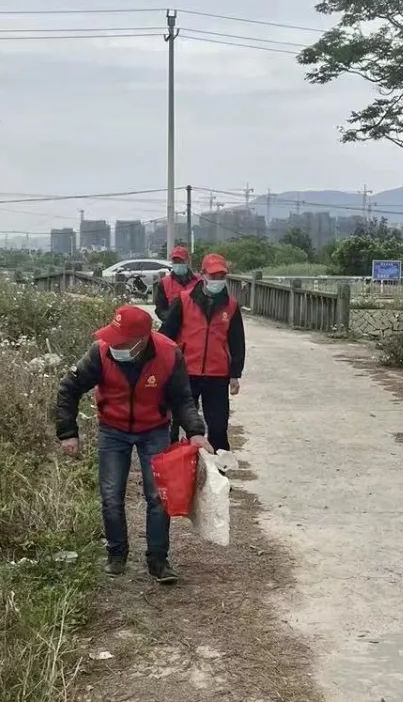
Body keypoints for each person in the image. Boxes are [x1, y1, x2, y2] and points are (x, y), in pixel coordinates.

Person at [54, 305, 213, 583]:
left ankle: (158, 560)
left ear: (141, 341)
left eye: (121, 341)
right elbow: (69, 388)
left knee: (157, 497)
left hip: (154, 430)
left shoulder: (168, 354)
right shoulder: (100, 352)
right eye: (112, 338)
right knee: (111, 495)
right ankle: (117, 555)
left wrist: (196, 431)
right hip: (112, 430)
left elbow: (183, 399)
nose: (114, 345)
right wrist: (67, 432)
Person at [159, 253, 245, 452]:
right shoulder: (184, 300)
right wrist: (161, 365)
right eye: (213, 276)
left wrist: (235, 374)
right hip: (186, 371)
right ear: (203, 274)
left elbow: (237, 342)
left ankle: (219, 471)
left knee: (218, 426)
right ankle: (174, 465)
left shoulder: (230, 306)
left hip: (217, 374)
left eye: (221, 276)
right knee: (178, 422)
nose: (217, 280)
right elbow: (165, 335)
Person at [154, 246, 200, 322]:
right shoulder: (164, 283)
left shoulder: (199, 281)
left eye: (181, 261)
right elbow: (160, 308)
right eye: (175, 261)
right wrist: (169, 319)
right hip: (174, 327)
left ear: (187, 261)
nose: (178, 264)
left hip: (195, 325)